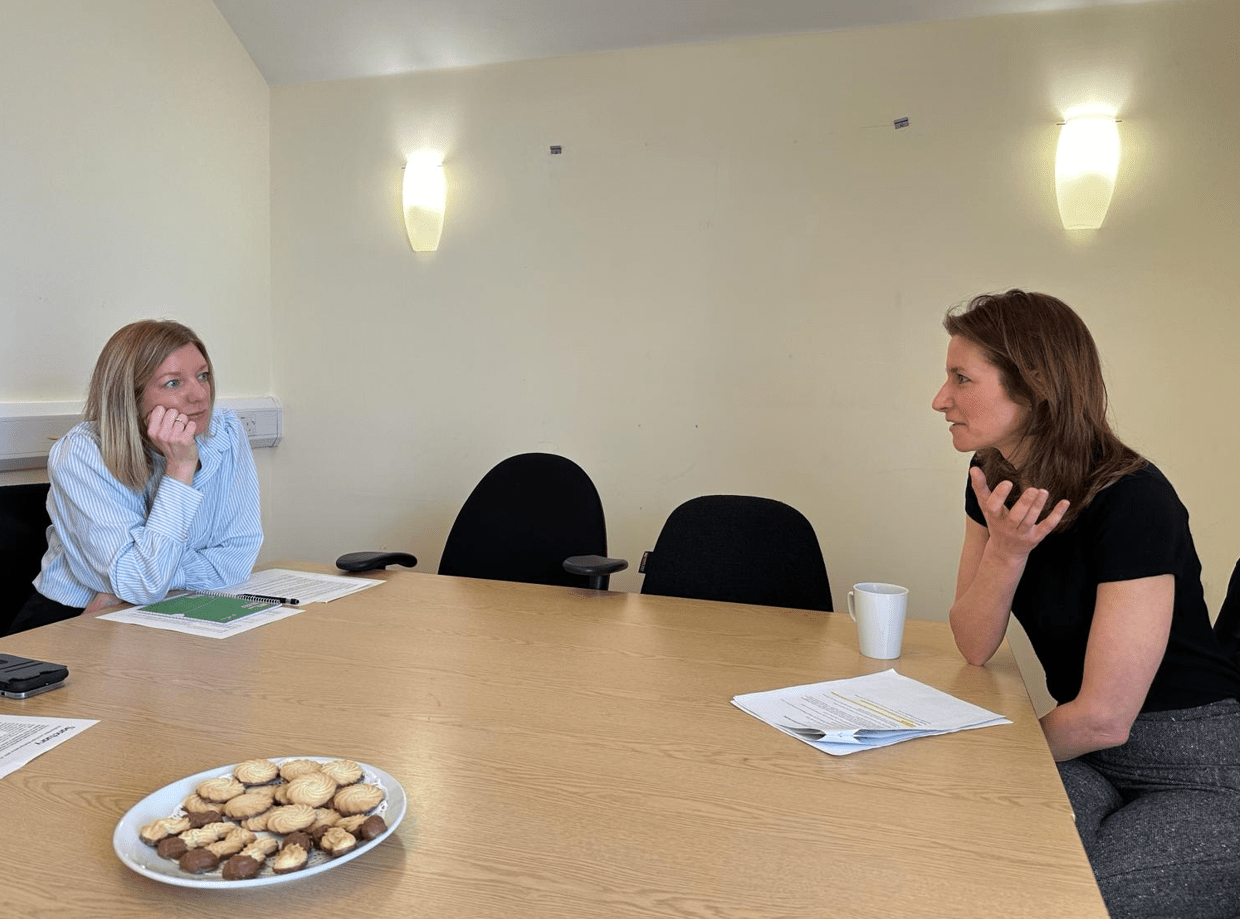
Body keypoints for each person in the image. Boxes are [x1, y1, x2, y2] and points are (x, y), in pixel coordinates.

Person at [931, 289, 1240, 919]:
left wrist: (997, 752)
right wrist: (1008, 551)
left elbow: (1105, 716)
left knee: (1055, 895)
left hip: (1199, 768)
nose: (940, 400)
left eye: (962, 379)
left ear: (1036, 386)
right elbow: (972, 640)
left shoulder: (1134, 502)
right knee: (972, 846)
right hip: (1091, 759)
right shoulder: (992, 482)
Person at [10, 319, 263, 633]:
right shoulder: (81, 453)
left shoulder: (224, 431)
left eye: (203, 376)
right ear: (130, 395)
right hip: (75, 619)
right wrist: (180, 470)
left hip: (172, 607)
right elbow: (145, 584)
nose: (199, 395)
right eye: (173, 383)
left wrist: (135, 590)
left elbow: (239, 554)